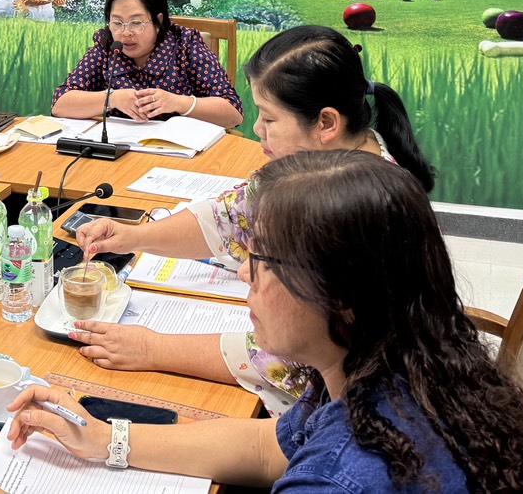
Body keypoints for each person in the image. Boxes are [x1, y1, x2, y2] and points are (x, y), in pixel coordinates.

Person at [0, 152, 523, 494]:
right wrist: (107, 440)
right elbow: (271, 449)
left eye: (261, 263)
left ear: (343, 297)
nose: (244, 278)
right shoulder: (394, 370)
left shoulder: (344, 478)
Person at [73, 24, 436, 399]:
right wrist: (133, 236)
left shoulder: (360, 213)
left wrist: (153, 349)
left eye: (270, 118)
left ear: (326, 122)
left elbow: (289, 363)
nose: (256, 128)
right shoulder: (309, 171)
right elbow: (228, 218)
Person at [51, 0, 243, 129]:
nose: (125, 32)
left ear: (158, 21)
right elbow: (60, 104)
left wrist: (178, 103)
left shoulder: (185, 44)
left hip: (181, 156)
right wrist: (111, 98)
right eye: (117, 23)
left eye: (136, 23)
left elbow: (233, 113)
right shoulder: (108, 46)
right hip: (123, 153)